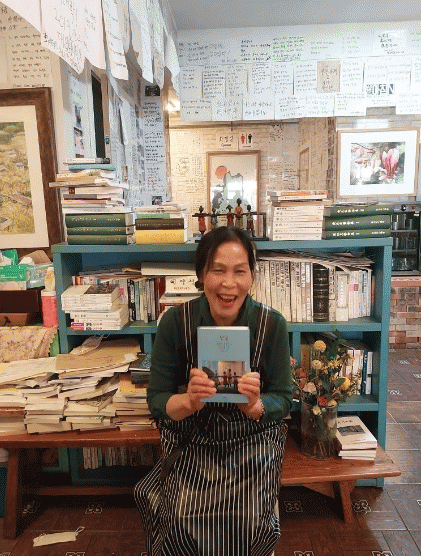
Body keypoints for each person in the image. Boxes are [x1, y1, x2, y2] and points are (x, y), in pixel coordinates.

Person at [134, 226, 292, 556]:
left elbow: (283, 398)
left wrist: (256, 405)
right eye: (217, 270)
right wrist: (189, 401)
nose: (228, 284)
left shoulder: (271, 324)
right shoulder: (175, 322)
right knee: (179, 518)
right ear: (201, 274)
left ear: (252, 276)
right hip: (192, 441)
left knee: (251, 520)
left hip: (252, 443)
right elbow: (157, 400)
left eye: (240, 271)